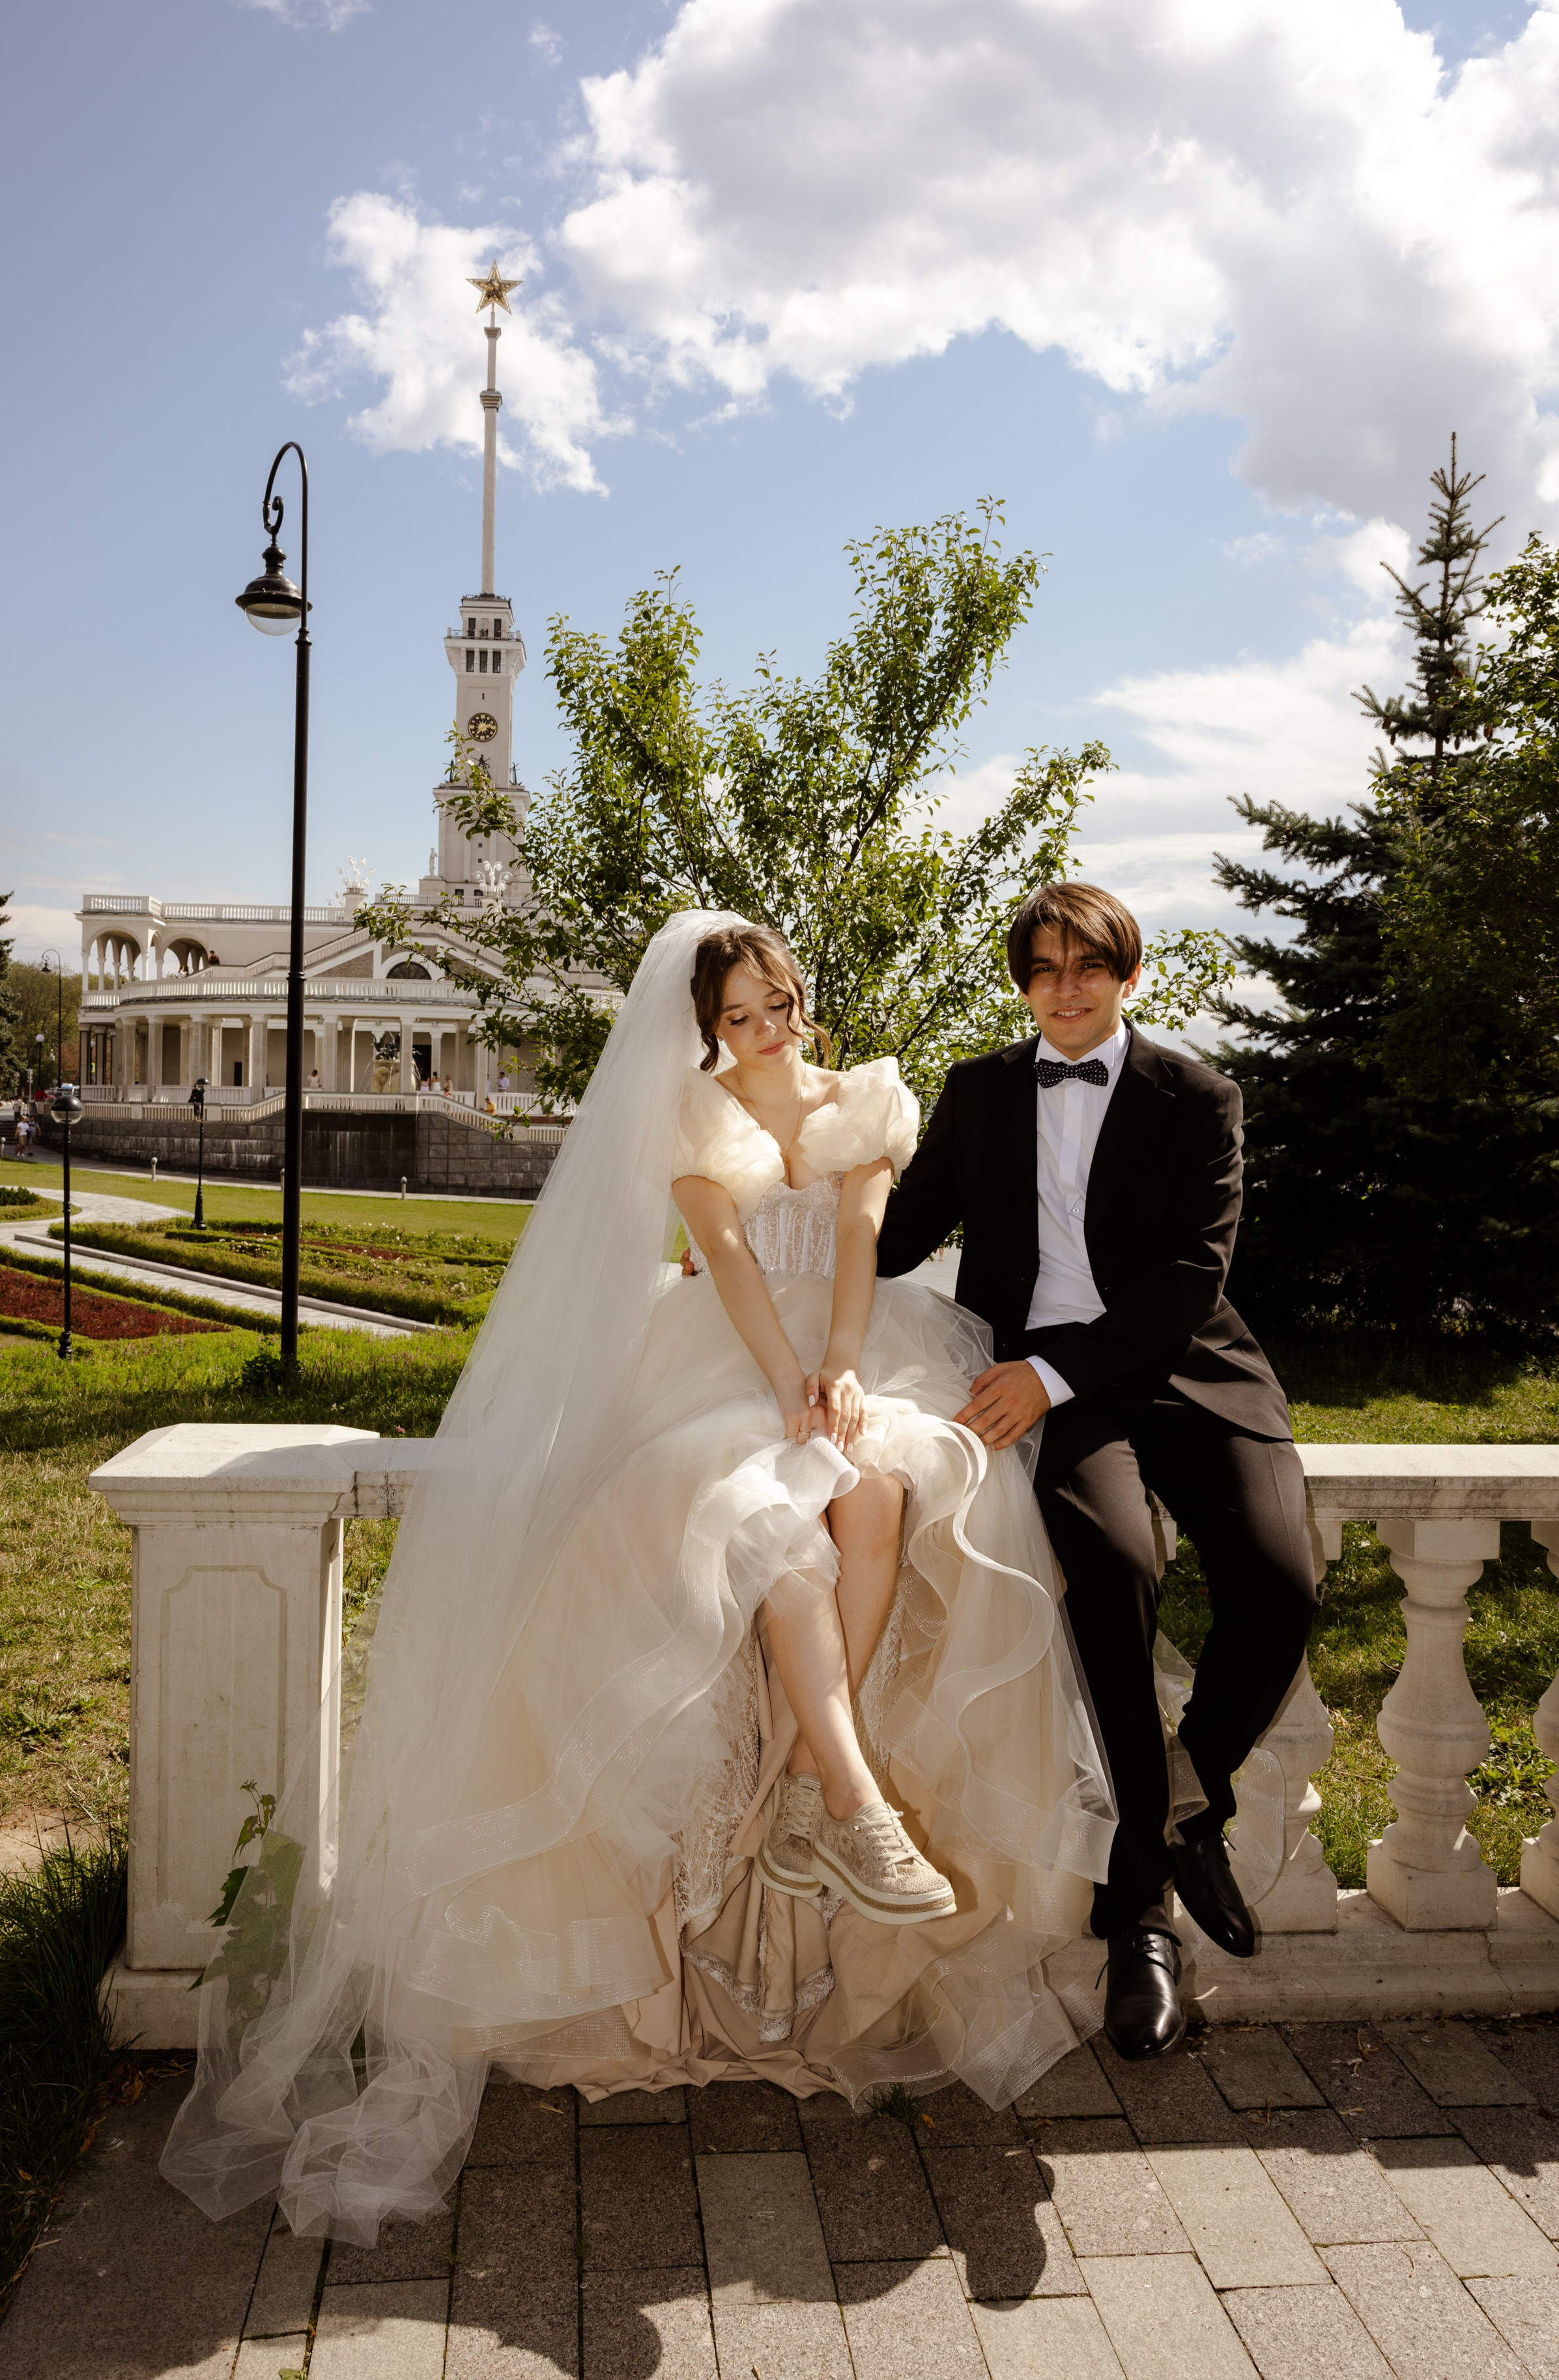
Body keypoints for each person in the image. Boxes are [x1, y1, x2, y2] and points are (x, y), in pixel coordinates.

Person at [162, 911, 1113, 2245]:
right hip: (723, 1361)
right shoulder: (688, 1116)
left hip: (863, 1342)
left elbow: (857, 1238)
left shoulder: (863, 1099)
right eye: (740, 1014)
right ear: (706, 1025)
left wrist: (836, 1373)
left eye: (779, 999)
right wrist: (782, 1386)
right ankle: (846, 1794)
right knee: (762, 1526)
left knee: (887, 1485)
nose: (769, 1026)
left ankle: (800, 1789)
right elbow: (725, 1258)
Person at [878, 880, 1318, 2062]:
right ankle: (1139, 1919)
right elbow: (895, 1233)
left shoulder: (1199, 1097)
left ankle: (1188, 1799)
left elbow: (1186, 1280)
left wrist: (1055, 1374)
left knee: (1283, 1585)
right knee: (1117, 1570)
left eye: (1088, 968)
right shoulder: (975, 1095)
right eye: (1043, 968)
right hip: (1049, 1391)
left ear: (1129, 976)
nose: (1064, 990)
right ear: (1022, 981)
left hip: (1188, 1370)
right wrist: (753, 1248)